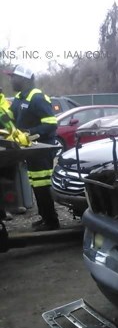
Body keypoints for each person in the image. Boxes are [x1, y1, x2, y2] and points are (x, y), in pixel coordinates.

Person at [7, 64, 60, 231]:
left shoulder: (37, 98)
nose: (11, 80)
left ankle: (52, 221)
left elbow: (51, 124)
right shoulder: (20, 98)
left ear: (23, 79)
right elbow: (10, 117)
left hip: (42, 150)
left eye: (13, 77)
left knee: (43, 186)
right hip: (32, 151)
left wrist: (29, 133)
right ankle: (45, 217)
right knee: (37, 186)